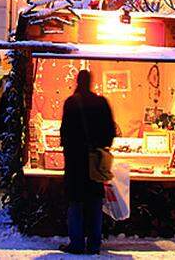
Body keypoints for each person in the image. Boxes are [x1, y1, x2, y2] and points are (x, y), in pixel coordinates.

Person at [59, 69, 115, 255]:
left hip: (76, 162)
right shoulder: (101, 102)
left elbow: (64, 133)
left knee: (75, 203)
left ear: (77, 81)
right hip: (95, 161)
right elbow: (110, 132)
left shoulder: (71, 103)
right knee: (95, 202)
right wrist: (99, 147)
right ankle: (94, 244)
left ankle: (76, 243)